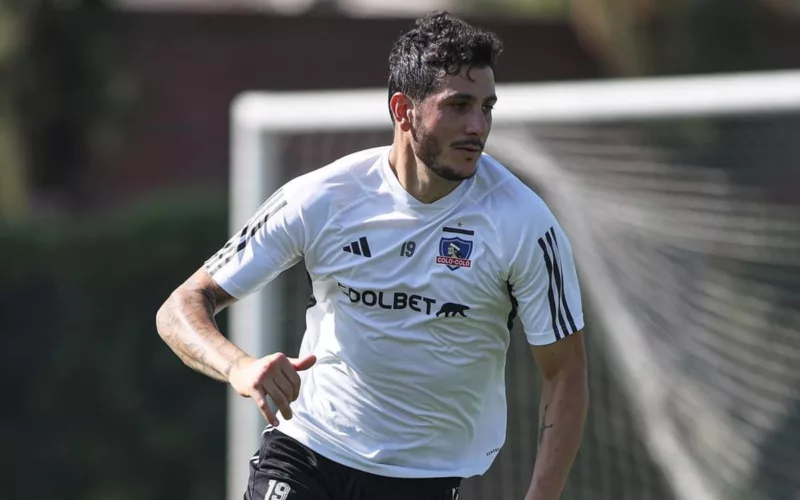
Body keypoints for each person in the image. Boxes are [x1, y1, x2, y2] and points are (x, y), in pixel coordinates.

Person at [156, 11, 588, 500]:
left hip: (423, 478)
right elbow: (181, 306)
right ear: (403, 110)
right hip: (307, 449)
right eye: (459, 105)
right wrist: (239, 367)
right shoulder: (323, 198)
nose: (477, 126)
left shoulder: (524, 223)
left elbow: (566, 373)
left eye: (487, 107)